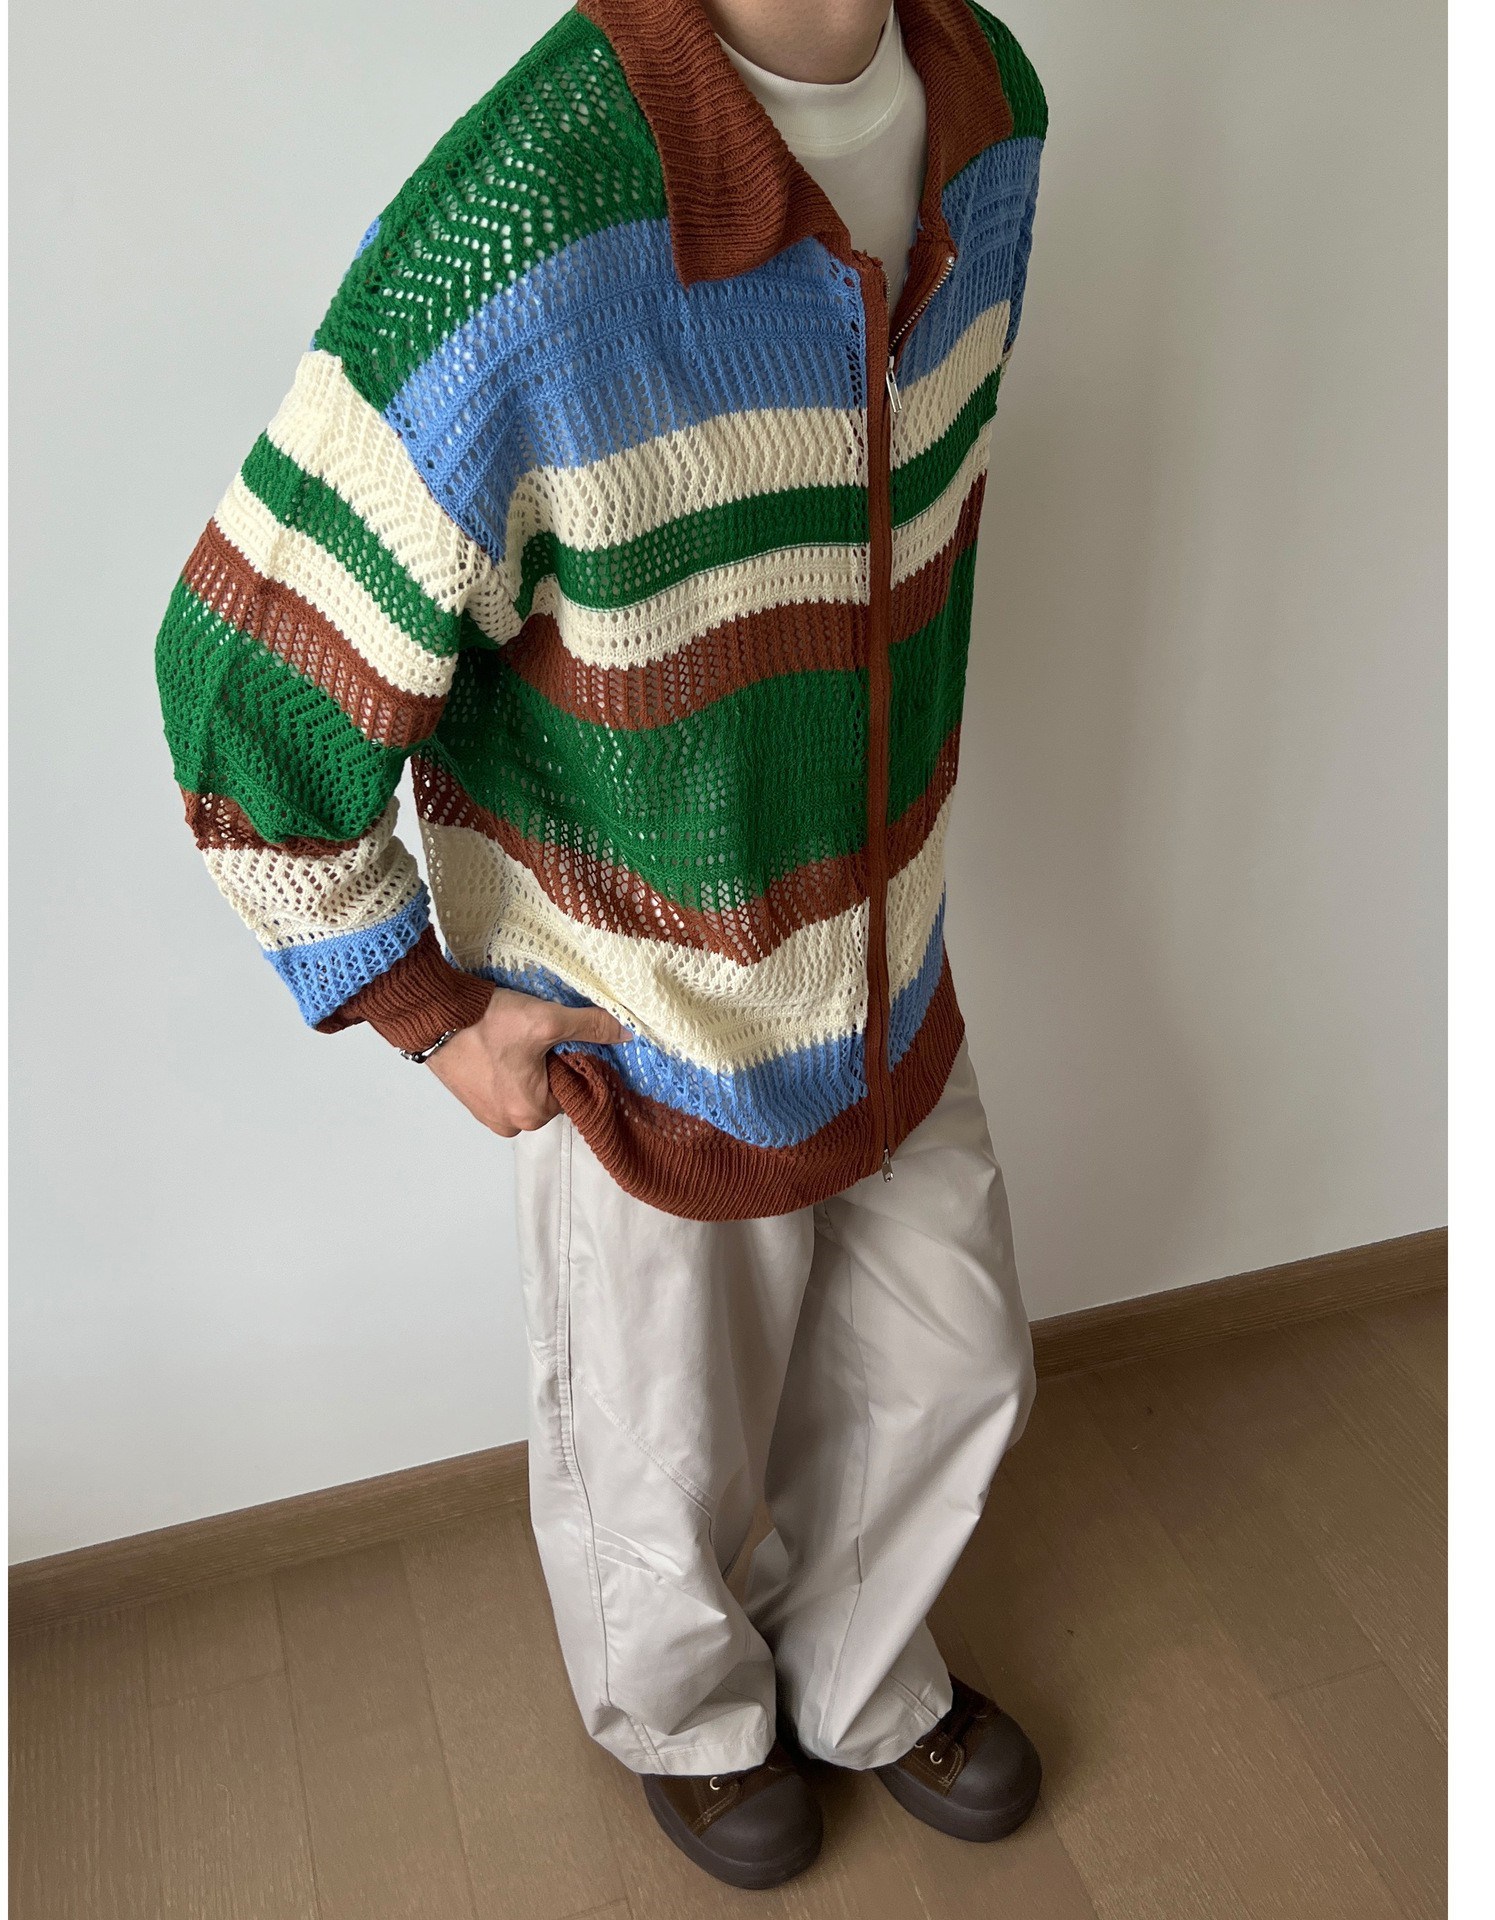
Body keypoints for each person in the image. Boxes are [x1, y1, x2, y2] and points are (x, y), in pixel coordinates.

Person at [154, 0, 1048, 1889]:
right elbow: (252, 672)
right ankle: (689, 1718)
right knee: (662, 1440)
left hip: (882, 950)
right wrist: (422, 1007)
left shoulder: (991, 105)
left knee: (951, 1357)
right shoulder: (531, 219)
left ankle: (860, 1677)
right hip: (633, 1003)